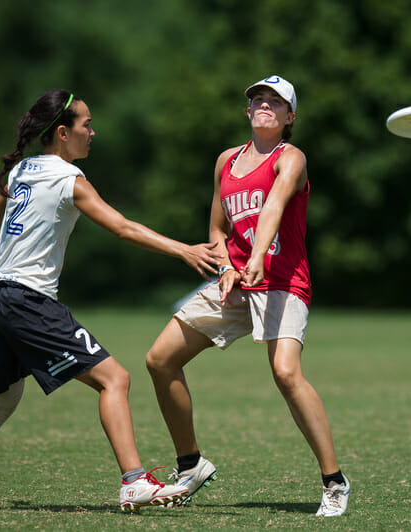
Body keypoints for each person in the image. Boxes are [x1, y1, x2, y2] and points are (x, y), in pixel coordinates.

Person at [0, 89, 224, 512]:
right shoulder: (68, 179)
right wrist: (184, 250)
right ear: (63, 133)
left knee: (3, 400)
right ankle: (135, 482)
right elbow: (122, 227)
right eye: (86, 125)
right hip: (27, 301)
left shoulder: (23, 170)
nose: (93, 132)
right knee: (115, 379)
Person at [145, 76, 350, 517]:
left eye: (276, 102)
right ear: (248, 111)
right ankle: (191, 464)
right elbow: (218, 230)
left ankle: (334, 482)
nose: (264, 105)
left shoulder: (290, 158)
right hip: (235, 282)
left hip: (281, 280)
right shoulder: (226, 160)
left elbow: (275, 205)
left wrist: (257, 256)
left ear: (289, 117)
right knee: (160, 359)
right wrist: (227, 268)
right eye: (258, 99)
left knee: (285, 373)